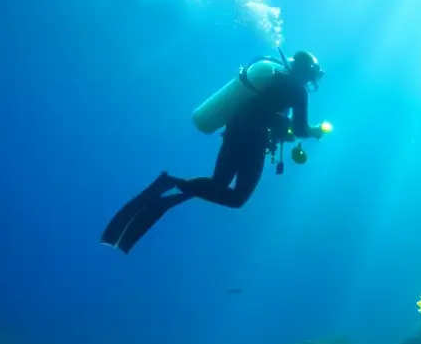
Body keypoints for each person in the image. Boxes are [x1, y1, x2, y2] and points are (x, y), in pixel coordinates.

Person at [102, 50, 328, 254]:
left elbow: (265, 111)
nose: (311, 80)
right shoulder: (297, 90)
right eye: (312, 75)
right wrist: (315, 131)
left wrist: (282, 127)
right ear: (306, 73)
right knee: (238, 197)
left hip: (234, 129)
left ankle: (171, 183)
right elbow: (298, 128)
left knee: (219, 182)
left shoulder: (275, 77)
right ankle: (177, 185)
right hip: (253, 139)